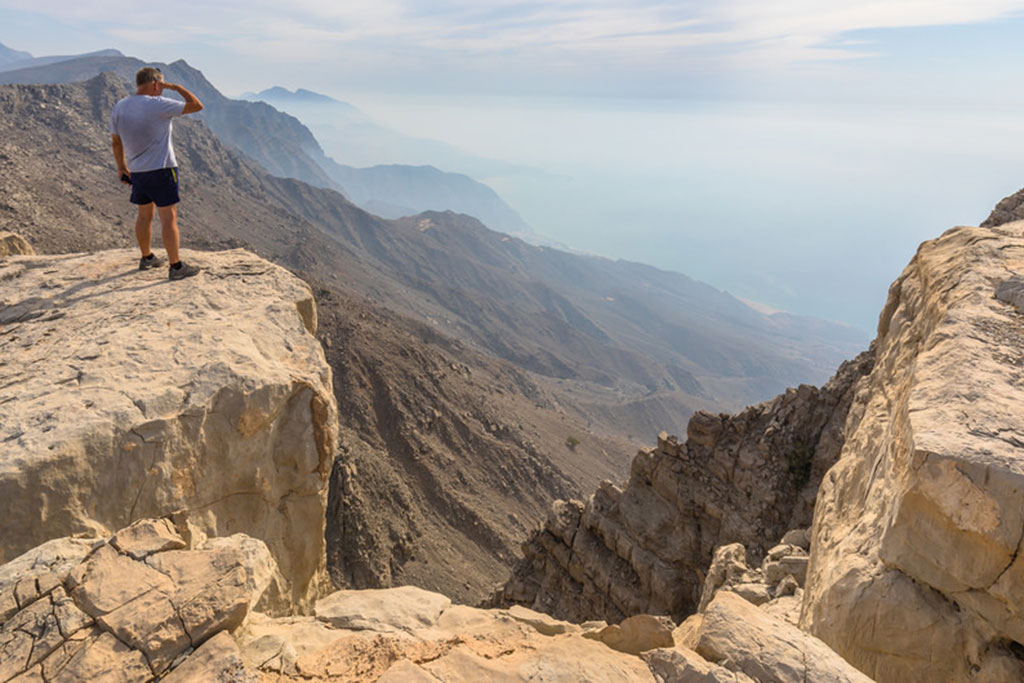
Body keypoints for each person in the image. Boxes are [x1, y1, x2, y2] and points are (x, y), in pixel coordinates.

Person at [110, 67, 203, 280]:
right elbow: (197, 105)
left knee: (144, 216)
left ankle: (147, 258)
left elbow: (116, 142)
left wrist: (121, 167)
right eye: (161, 86)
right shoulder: (158, 104)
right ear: (155, 84)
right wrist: (175, 87)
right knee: (168, 217)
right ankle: (176, 267)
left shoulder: (120, 106)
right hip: (162, 169)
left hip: (138, 171)